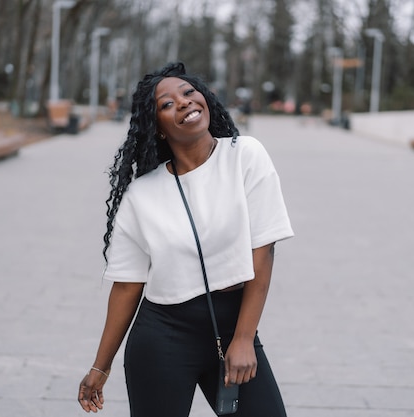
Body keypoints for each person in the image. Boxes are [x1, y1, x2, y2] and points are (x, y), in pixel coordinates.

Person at [77, 62, 294, 417]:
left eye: (189, 93)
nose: (183, 103)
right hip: (162, 335)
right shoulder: (141, 194)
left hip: (232, 325)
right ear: (157, 128)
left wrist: (243, 338)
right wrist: (100, 367)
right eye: (166, 104)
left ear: (205, 99)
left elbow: (263, 250)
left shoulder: (246, 155)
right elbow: (128, 285)